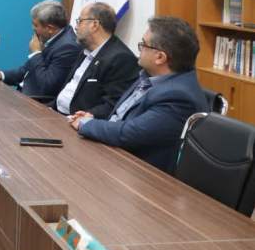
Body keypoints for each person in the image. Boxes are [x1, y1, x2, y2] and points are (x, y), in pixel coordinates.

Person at [70, 16, 208, 174]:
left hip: (140, 173)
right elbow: (121, 115)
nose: (139, 50)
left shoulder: (178, 98)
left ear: (160, 57)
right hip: (114, 155)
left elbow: (128, 134)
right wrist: (93, 117)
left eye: (143, 44)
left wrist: (86, 124)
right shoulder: (149, 75)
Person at [52, 2, 139, 118]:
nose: (76, 27)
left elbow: (113, 104)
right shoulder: (85, 51)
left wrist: (84, 117)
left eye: (80, 21)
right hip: (56, 114)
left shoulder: (121, 58)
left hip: (78, 122)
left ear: (94, 25)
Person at [0, 0, 81, 100]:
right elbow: (26, 70)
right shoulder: (54, 37)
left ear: (50, 28)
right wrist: (1, 75)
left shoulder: (68, 48)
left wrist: (36, 53)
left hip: (36, 103)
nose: (33, 28)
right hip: (23, 95)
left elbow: (47, 85)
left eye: (36, 25)